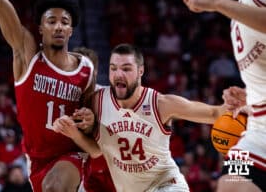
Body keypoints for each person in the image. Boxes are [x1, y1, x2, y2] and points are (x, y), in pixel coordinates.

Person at [53, 43, 227, 192]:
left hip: (165, 185)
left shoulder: (159, 104)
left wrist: (240, 107)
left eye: (126, 69)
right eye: (113, 68)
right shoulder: (97, 102)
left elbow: (213, 113)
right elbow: (96, 150)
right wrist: (75, 133)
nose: (119, 74)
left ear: (140, 71)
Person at [0, 0, 96, 192]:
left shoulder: (86, 69)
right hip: (37, 160)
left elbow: (90, 122)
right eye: (51, 21)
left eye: (65, 22)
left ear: (71, 30)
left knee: (55, 186)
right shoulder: (28, 56)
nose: (58, 26)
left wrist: (89, 120)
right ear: (40, 28)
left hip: (72, 154)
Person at [182, 0, 266, 191]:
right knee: (231, 184)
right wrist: (251, 97)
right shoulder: (241, 5)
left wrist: (214, 2)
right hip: (259, 131)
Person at [72, 47, 116, 192]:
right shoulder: (62, 97)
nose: (82, 74)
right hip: (72, 161)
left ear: (95, 72)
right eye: (77, 69)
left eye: (86, 70)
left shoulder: (109, 98)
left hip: (102, 165)